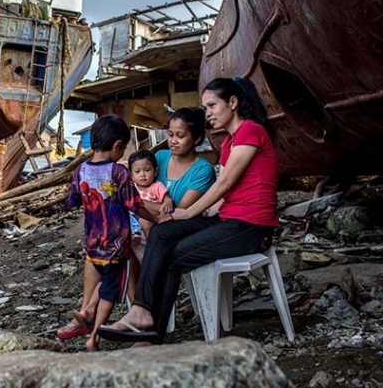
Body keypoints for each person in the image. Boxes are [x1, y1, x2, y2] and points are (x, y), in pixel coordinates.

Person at [99, 77, 279, 344]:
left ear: (233, 102)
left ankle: (150, 333)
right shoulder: (229, 143)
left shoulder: (250, 131)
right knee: (162, 232)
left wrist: (189, 212)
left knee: (175, 254)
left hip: (251, 227)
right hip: (229, 219)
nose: (208, 114)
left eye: (212, 106)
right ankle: (141, 312)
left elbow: (224, 183)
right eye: (205, 108)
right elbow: (229, 191)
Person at [58, 114, 152, 351]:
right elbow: (134, 204)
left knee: (105, 280)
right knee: (110, 289)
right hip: (117, 246)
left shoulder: (80, 170)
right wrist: (156, 217)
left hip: (92, 244)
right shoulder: (118, 172)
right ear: (117, 146)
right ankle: (95, 335)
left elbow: (72, 200)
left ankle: (87, 312)